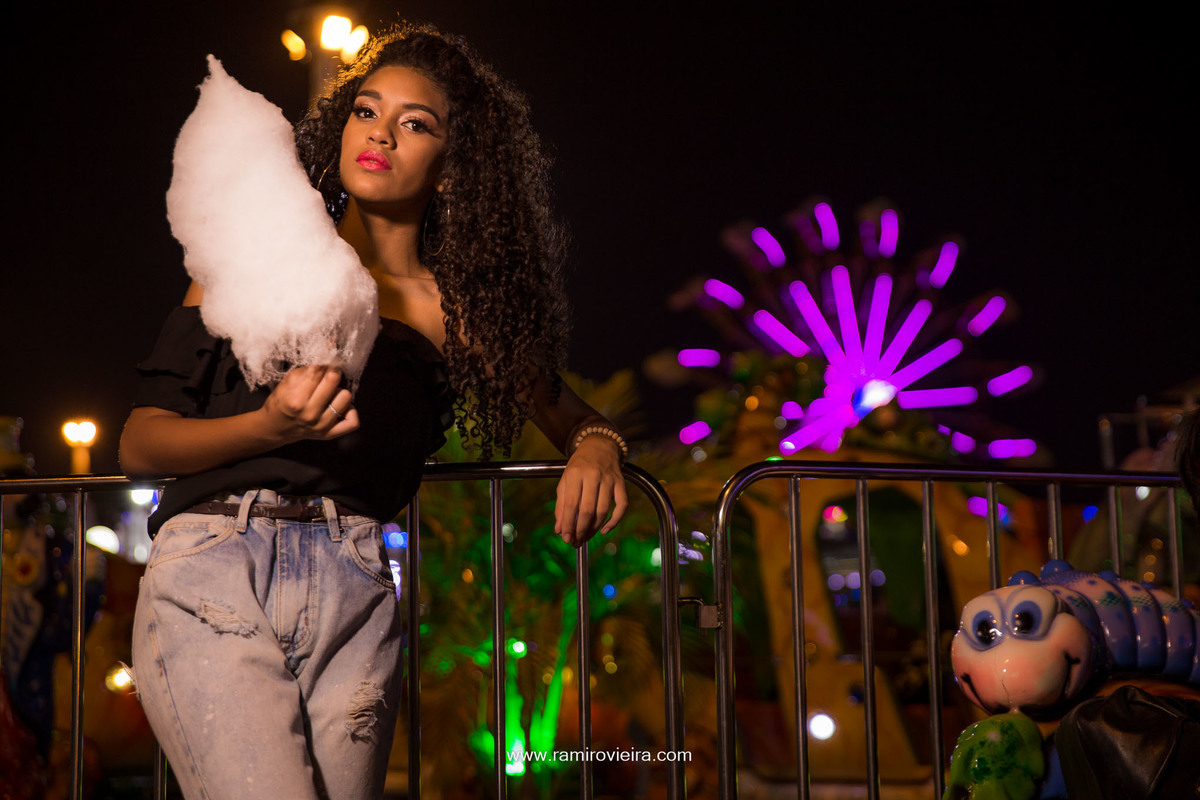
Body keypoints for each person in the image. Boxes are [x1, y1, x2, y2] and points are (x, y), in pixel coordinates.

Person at [121, 22, 628, 800]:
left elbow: (575, 416)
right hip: (217, 562)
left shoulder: (456, 315)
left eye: (415, 124)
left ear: (453, 171)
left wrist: (595, 448)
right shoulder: (256, 257)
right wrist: (270, 427)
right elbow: (141, 442)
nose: (381, 134)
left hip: (355, 591)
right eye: (367, 110)